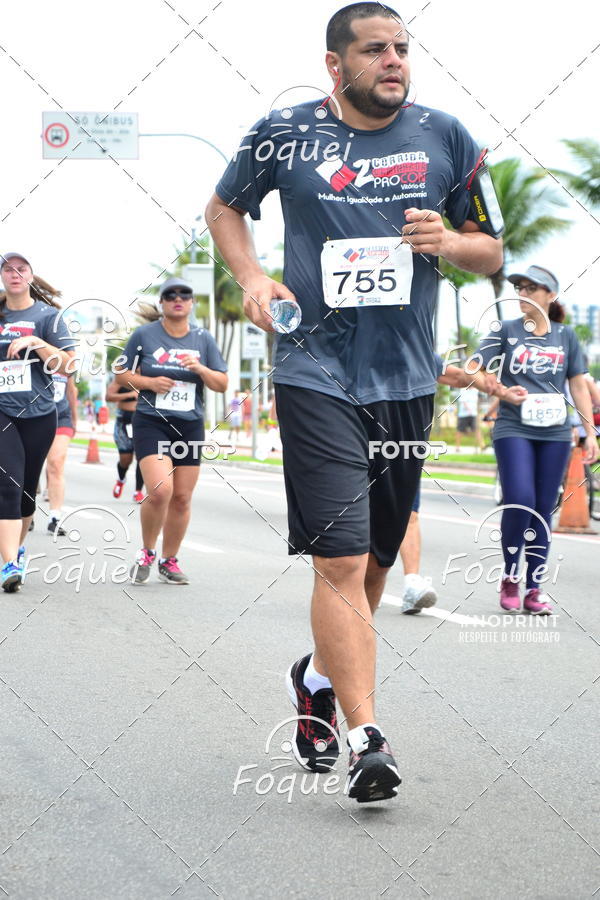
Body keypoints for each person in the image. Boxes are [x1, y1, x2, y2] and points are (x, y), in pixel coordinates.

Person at [206, 3, 503, 802]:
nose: (395, 60)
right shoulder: (285, 133)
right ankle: (368, 736)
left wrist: (451, 242)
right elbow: (224, 208)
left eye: (403, 47)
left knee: (373, 563)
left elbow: (491, 247)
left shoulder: (447, 136)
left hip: (405, 380)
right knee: (338, 558)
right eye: (376, 49)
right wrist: (253, 277)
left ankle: (315, 677)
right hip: (315, 373)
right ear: (335, 64)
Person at [471, 265, 598, 614]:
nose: (523, 293)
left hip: (556, 432)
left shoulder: (566, 336)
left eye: (531, 288)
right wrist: (499, 390)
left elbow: (577, 384)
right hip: (514, 428)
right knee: (520, 499)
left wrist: (588, 432)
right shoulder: (505, 329)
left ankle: (534, 589)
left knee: (543, 508)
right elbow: (474, 367)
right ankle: (511, 575)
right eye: (519, 287)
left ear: (550, 295)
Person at [116, 277, 228, 585]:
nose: (178, 298)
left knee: (181, 497)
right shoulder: (144, 335)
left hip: (189, 424)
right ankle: (147, 551)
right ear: (163, 303)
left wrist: (201, 369)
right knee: (161, 490)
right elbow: (121, 374)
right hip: (152, 422)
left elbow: (222, 383)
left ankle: (169, 560)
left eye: (184, 294)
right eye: (170, 295)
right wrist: (150, 383)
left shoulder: (203, 339)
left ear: (191, 303)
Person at [400, 355, 525, 613]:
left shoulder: (415, 348)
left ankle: (411, 583)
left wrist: (500, 390)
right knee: (364, 515)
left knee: (409, 514)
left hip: (406, 444)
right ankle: (349, 584)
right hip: (360, 443)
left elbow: (457, 376)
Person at [0, 252, 75, 591]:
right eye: (7, 269)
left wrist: (36, 341)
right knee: (9, 483)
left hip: (40, 413)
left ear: (30, 276)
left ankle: (16, 549)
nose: (14, 274)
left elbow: (68, 366)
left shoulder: (48, 317)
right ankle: (9, 564)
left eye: (21, 269)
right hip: (3, 411)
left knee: (28, 490)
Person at [45, 372, 78, 535]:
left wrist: (74, 419)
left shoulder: (65, 352)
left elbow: (71, 390)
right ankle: (25, 512)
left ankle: (54, 517)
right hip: (33, 417)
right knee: (27, 469)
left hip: (61, 417)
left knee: (56, 464)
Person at [106, 377, 144, 502]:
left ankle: (138, 491)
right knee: (125, 459)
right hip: (124, 421)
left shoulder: (150, 375)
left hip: (144, 421)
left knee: (142, 457)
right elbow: (109, 396)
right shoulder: (122, 377)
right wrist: (130, 394)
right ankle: (121, 479)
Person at [455, 384, 483, 451]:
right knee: (459, 431)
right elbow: (463, 401)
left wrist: (477, 409)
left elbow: (478, 401)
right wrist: (468, 409)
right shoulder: (463, 389)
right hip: (463, 414)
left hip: (473, 414)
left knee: (477, 429)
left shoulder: (476, 390)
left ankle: (482, 446)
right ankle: (457, 447)